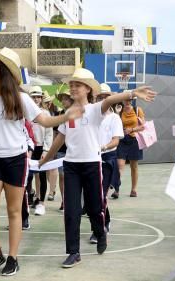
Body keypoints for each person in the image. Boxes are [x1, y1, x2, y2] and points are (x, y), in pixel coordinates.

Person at [0, 47, 79, 277]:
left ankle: (13, 257)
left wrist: (65, 116)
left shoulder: (21, 99)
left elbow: (44, 120)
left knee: (14, 211)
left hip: (16, 161)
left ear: (4, 73)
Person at [40, 68, 156, 268]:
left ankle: (101, 233)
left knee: (94, 208)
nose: (73, 88)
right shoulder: (68, 113)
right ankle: (74, 252)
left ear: (87, 89)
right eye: (72, 85)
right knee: (71, 210)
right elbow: (59, 140)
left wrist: (132, 93)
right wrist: (44, 161)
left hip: (92, 165)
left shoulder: (95, 109)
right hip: (71, 167)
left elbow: (110, 101)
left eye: (77, 85)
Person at [90, 82, 124, 244]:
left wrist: (102, 147)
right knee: (93, 197)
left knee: (100, 196)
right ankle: (106, 221)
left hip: (107, 160)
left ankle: (99, 230)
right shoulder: (92, 116)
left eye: (106, 97)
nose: (103, 99)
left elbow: (116, 141)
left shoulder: (114, 117)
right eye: (100, 97)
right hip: (91, 159)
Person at [28, 85, 52, 217]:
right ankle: (29, 198)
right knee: (27, 176)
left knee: (42, 176)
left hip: (41, 148)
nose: (36, 99)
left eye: (38, 97)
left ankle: (41, 203)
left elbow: (49, 133)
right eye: (34, 96)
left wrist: (46, 150)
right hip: (28, 148)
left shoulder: (46, 113)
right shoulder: (25, 112)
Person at [116, 98, 146, 197]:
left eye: (130, 100)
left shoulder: (137, 110)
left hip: (135, 140)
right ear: (122, 100)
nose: (128, 102)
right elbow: (115, 124)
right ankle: (117, 189)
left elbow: (143, 126)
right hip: (122, 140)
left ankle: (133, 189)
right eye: (126, 100)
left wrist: (132, 129)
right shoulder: (119, 110)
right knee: (120, 165)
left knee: (134, 166)